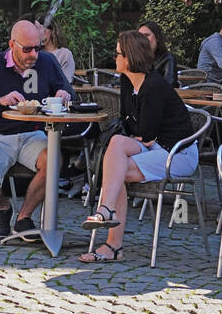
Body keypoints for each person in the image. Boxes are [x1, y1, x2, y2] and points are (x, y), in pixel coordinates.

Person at [80, 30, 198, 262]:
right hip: (153, 147)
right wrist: (138, 133)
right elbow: (130, 124)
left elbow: (144, 131)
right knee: (115, 145)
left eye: (117, 54)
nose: (114, 58)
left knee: (116, 170)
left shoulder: (153, 86)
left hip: (178, 153)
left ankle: (112, 239)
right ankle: (107, 217)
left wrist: (138, 132)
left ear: (129, 57)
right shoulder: (127, 81)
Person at [0, 20, 74, 238]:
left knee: (54, 160)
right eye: (27, 49)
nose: (33, 54)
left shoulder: (47, 62)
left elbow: (68, 90)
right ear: (12, 44)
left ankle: (24, 218)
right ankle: (4, 207)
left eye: (38, 47)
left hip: (33, 132)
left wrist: (64, 93)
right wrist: (0, 101)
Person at [137, 21, 178, 86]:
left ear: (157, 38)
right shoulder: (136, 58)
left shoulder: (168, 59)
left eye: (146, 35)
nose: (143, 39)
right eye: (139, 36)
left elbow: (169, 86)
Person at [36, 17, 75, 83]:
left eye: (44, 31)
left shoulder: (65, 54)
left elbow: (66, 81)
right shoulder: (35, 54)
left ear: (52, 30)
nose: (41, 35)